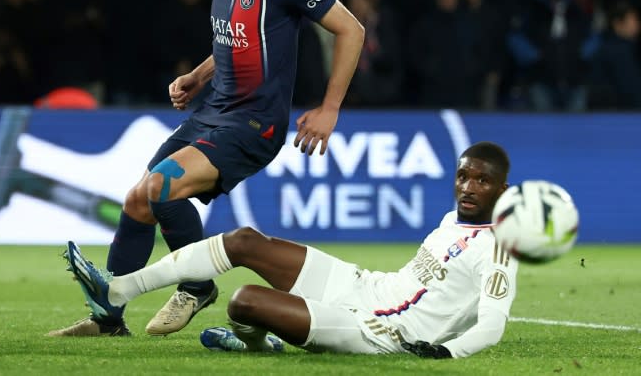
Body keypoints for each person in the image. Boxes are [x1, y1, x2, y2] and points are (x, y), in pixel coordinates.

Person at [48, 0, 365, 338]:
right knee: (139, 200)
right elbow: (232, 41)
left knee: (160, 187)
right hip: (213, 112)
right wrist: (198, 77)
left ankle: (197, 286)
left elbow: (352, 30)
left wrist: (330, 108)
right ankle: (108, 321)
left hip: (254, 125)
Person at [63, 142, 517, 359]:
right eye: (463, 177)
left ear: (502, 189)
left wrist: (447, 353)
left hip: (382, 332)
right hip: (365, 287)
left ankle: (258, 341)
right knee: (244, 241)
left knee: (245, 300)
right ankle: (119, 290)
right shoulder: (451, 220)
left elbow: (491, 326)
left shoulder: (499, 250)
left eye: (481, 181)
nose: (468, 187)